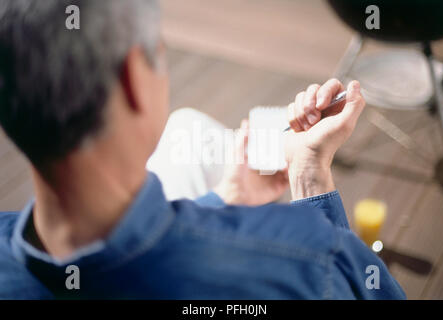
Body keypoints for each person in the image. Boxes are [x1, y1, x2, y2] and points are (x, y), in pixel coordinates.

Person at [0, 0, 405, 299]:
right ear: (133, 83)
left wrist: (223, 200)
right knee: (190, 126)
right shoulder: (307, 257)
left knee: (188, 126)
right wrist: (310, 173)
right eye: (159, 54)